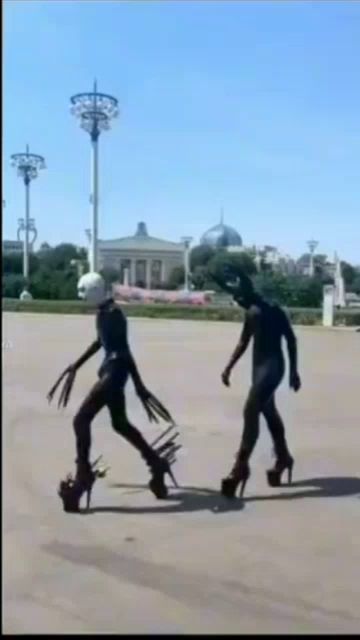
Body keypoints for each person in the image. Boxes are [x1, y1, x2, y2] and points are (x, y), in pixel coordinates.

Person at [47, 272, 178, 512]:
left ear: (94, 290)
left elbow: (124, 351)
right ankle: (155, 463)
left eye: (83, 291)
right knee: (120, 424)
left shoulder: (114, 315)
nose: (81, 296)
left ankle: (83, 474)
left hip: (114, 373)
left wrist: (138, 385)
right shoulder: (105, 313)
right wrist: (77, 364)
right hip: (113, 372)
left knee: (80, 420)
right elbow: (100, 342)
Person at [213, 267, 301, 499]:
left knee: (251, 410)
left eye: (238, 298)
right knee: (268, 411)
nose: (237, 301)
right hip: (260, 368)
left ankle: (240, 467)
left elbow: (291, 340)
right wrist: (228, 367)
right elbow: (244, 341)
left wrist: (294, 372)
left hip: (272, 368)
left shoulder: (268, 311)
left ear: (246, 295)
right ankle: (283, 457)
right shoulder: (255, 311)